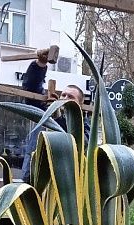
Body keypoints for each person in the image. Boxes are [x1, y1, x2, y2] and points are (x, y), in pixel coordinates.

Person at [20, 49, 91, 183]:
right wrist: (40, 64)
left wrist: (58, 119)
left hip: (61, 186)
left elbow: (82, 143)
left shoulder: (83, 125)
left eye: (70, 97)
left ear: (80, 105)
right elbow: (31, 91)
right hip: (33, 177)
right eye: (63, 95)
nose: (64, 98)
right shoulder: (46, 112)